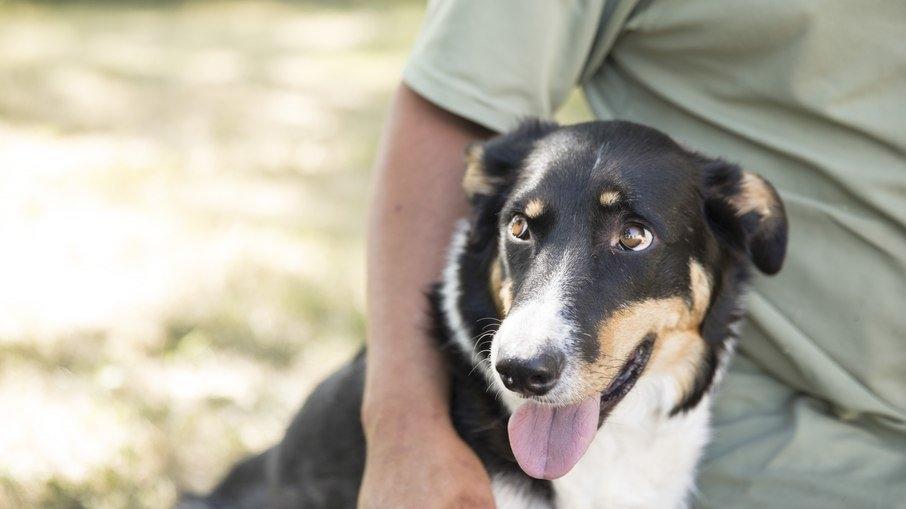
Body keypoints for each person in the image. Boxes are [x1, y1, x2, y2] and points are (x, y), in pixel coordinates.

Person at [358, 1, 906, 507]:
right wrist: (405, 430)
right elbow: (448, 108)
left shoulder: (709, 209)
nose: (530, 346)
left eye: (633, 237)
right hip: (788, 445)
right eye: (524, 229)